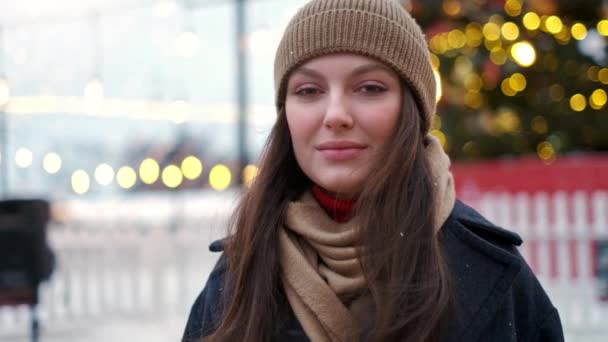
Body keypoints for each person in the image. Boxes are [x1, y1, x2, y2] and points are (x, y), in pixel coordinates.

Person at [182, 0, 564, 341]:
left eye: (368, 88)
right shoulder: (237, 279)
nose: (335, 115)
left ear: (411, 109)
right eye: (308, 91)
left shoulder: (493, 276)